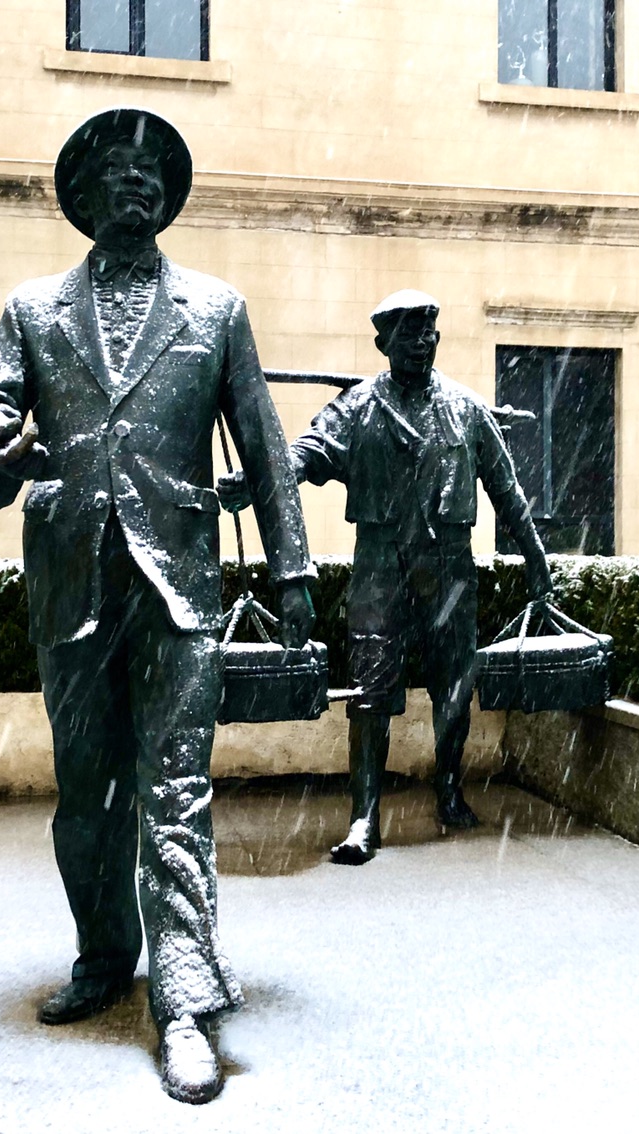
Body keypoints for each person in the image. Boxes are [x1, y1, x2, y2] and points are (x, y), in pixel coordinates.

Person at [0, 107, 315, 1105]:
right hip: (72, 583)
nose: (136, 180)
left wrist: (291, 574)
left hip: (178, 586)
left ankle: (186, 1002)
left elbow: (266, 450)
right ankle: (105, 955)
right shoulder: (33, 310)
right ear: (83, 193)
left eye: (152, 169)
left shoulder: (216, 310)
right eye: (116, 167)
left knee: (176, 791)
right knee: (86, 795)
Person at [220, 290, 552, 864]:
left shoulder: (466, 409)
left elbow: (508, 492)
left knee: (455, 687)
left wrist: (537, 561)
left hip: (450, 568)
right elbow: (305, 453)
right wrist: (257, 480)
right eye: (409, 333)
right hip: (379, 564)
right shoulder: (358, 408)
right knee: (370, 692)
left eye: (429, 332)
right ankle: (364, 818)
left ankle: (449, 789)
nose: (422, 342)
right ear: (383, 343)